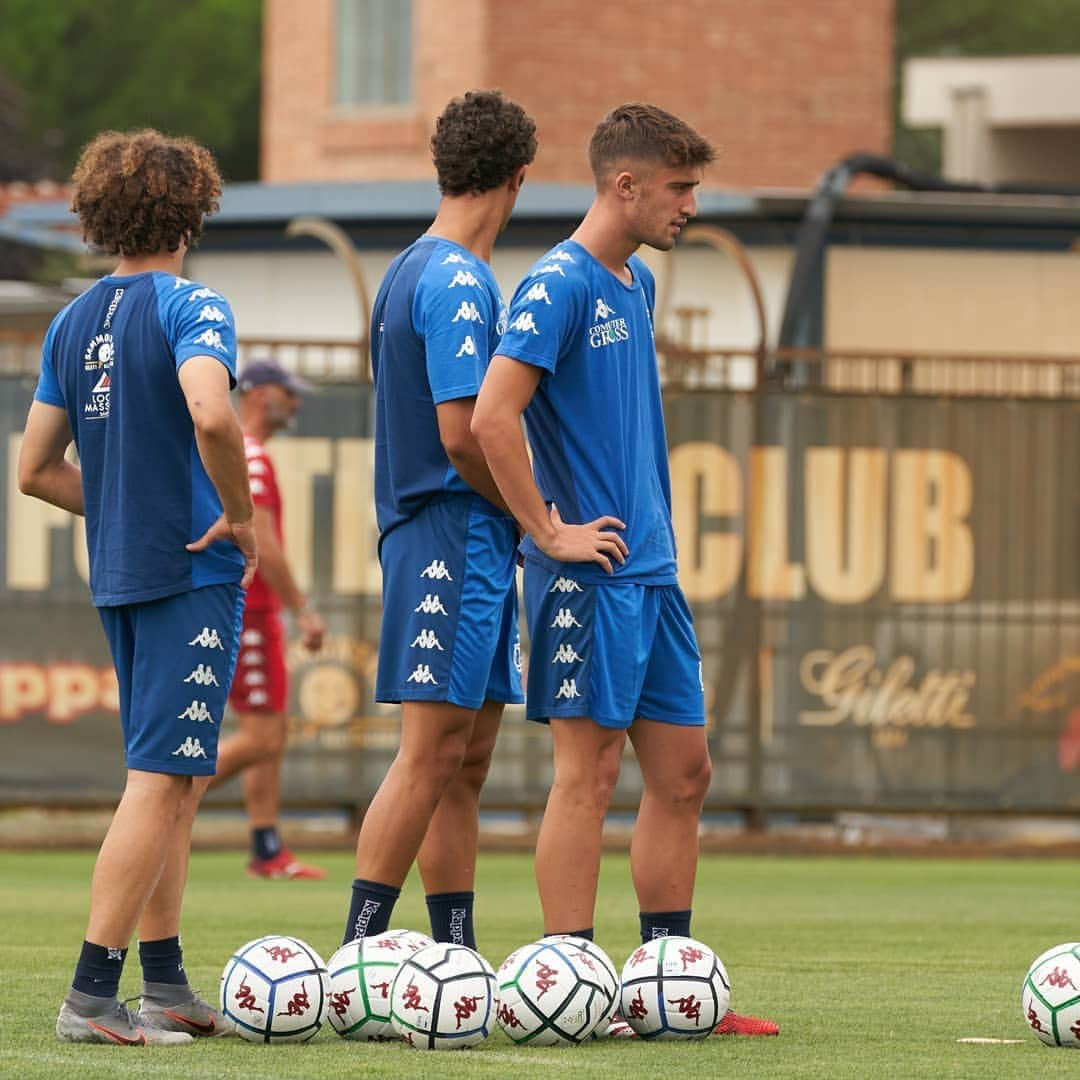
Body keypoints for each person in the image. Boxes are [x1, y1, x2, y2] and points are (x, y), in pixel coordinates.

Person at [472, 103, 779, 1037]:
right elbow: (491, 418)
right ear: (626, 184)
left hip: (652, 572)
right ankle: (571, 988)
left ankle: (665, 990)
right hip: (588, 575)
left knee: (685, 774)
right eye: (682, 188)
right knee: (588, 775)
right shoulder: (556, 284)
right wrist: (549, 533)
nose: (691, 205)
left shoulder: (633, 283)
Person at [18, 129, 256, 1044]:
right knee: (160, 782)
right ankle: (90, 996)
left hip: (121, 573)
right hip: (189, 573)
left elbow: (36, 469)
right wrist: (239, 514)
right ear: (193, 208)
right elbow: (211, 410)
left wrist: (117, 507)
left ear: (97, 215)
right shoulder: (193, 305)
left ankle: (164, 987)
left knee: (175, 781)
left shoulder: (72, 322)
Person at [340, 89, 536, 950]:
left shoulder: (411, 268)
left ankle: (453, 953)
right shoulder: (456, 278)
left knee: (466, 760)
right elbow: (463, 438)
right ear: (520, 178)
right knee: (428, 754)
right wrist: (538, 519)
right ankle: (356, 955)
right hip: (450, 532)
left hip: (467, 536)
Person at [205, 359, 327, 879]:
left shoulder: (248, 454)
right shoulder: (250, 458)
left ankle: (267, 848)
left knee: (269, 733)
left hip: (253, 610)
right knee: (262, 738)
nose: (295, 403)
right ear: (257, 394)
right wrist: (303, 608)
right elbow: (265, 544)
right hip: (249, 610)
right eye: (287, 393)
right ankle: (159, 799)